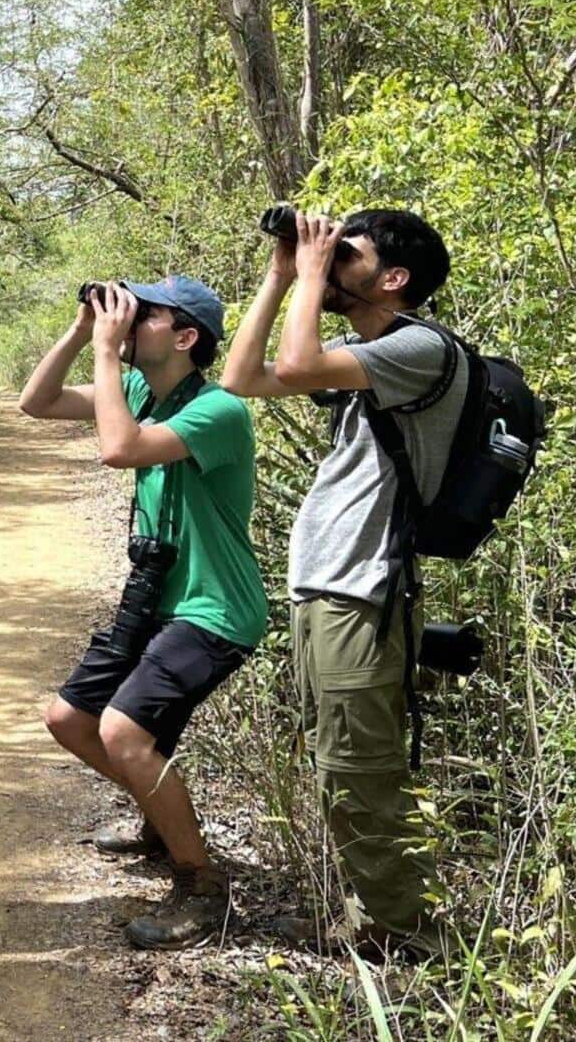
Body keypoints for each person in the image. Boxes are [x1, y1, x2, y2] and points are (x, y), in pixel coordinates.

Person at [221, 208, 458, 960]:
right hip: (328, 587)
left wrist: (313, 274)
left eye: (347, 251)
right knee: (335, 760)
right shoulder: (368, 357)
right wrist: (282, 274)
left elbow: (291, 366)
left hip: (367, 591)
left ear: (394, 279)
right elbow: (242, 378)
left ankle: (416, 937)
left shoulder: (421, 347)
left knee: (363, 768)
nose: (330, 254)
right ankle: (376, 920)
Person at [19, 276, 267, 951]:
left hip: (214, 608)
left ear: (185, 337)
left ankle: (202, 886)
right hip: (154, 599)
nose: (128, 322)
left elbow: (118, 449)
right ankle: (161, 813)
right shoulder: (138, 391)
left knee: (124, 732)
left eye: (146, 314)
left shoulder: (218, 410)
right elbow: (35, 402)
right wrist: (81, 332)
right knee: (69, 719)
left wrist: (105, 351)